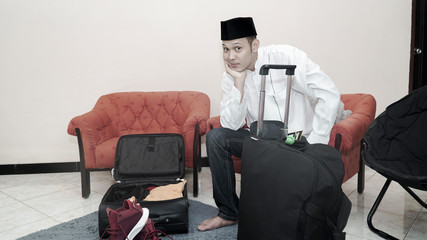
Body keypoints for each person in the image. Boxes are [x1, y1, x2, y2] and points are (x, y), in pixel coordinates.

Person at [197, 17, 346, 231]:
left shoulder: (287, 56)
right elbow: (231, 123)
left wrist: (316, 142)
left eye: (238, 48)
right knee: (216, 138)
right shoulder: (229, 75)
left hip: (294, 137)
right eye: (226, 49)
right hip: (260, 139)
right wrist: (238, 84)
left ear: (254, 45)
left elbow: (328, 94)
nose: (231, 56)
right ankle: (229, 212)